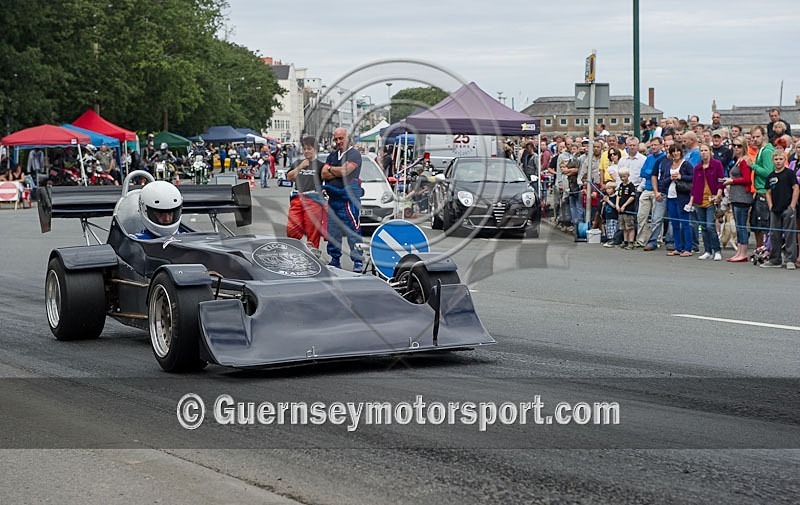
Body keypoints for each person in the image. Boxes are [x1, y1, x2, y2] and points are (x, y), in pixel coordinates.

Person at [322, 127, 364, 272]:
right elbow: (323, 174)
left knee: (354, 231)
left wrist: (332, 170)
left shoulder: (354, 154)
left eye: (341, 138)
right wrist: (338, 171)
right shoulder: (332, 155)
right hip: (333, 199)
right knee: (333, 231)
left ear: (348, 138)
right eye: (336, 139)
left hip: (349, 200)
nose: (339, 142)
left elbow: (345, 171)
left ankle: (358, 261)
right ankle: (335, 259)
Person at [286, 136, 326, 255]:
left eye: (309, 149)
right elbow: (289, 177)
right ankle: (294, 251)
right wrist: (300, 167)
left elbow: (327, 180)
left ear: (315, 149)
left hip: (313, 199)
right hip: (298, 198)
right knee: (292, 229)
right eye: (304, 149)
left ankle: (313, 254)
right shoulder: (298, 163)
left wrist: (324, 190)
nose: (306, 151)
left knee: (312, 230)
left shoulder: (320, 165)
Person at [761, 149, 799, 268]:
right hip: (775, 209)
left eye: (780, 159)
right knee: (774, 234)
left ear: (785, 160)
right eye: (776, 159)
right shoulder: (771, 176)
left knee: (789, 235)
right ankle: (775, 259)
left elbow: (796, 188)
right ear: (773, 161)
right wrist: (771, 205)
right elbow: (767, 192)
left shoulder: (789, 173)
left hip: (788, 208)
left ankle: (790, 260)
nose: (778, 162)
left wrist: (792, 206)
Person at [687, 144, 725, 260]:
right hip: (699, 200)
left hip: (711, 200)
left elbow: (720, 180)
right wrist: (691, 201)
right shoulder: (697, 167)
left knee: (710, 226)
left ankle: (717, 250)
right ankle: (707, 250)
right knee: (703, 226)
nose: (703, 153)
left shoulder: (716, 164)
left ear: (710, 151)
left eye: (705, 150)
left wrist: (718, 194)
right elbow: (694, 186)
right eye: (701, 151)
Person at [722, 137, 754, 262]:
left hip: (743, 197)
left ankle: (743, 252)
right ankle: (739, 251)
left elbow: (747, 179)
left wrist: (732, 181)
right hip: (735, 195)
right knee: (739, 224)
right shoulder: (738, 160)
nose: (736, 148)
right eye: (734, 145)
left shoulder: (745, 161)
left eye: (739, 146)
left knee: (741, 226)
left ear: (744, 147)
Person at [664, 144, 694, 257]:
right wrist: (670, 178)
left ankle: (688, 248)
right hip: (671, 196)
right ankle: (678, 247)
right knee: (675, 223)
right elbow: (663, 180)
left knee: (685, 223)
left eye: (677, 151)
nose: (675, 153)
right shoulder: (668, 165)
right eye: (673, 151)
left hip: (682, 197)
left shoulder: (686, 164)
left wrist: (681, 177)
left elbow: (693, 177)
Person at [749, 126, 775, 250]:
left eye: (757, 136)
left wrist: (752, 166)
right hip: (759, 191)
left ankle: (766, 251)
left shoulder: (767, 151)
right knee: (756, 224)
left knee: (764, 225)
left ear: (764, 136)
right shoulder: (761, 150)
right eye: (753, 137)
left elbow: (768, 172)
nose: (755, 139)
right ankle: (761, 250)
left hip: (765, 192)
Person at [616, 167, 637, 249]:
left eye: (624, 177)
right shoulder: (621, 185)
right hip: (621, 210)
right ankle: (625, 241)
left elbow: (632, 197)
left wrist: (624, 205)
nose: (622, 178)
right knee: (623, 227)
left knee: (630, 226)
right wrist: (617, 205)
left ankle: (631, 242)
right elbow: (618, 195)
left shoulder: (631, 186)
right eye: (621, 177)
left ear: (628, 175)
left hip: (628, 210)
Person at [601, 181, 619, 247]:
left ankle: (613, 240)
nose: (607, 190)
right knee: (608, 228)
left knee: (613, 229)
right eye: (606, 189)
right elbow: (603, 207)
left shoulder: (615, 197)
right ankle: (608, 239)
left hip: (613, 216)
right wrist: (604, 203)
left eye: (609, 189)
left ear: (614, 189)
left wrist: (608, 201)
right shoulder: (607, 197)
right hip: (607, 215)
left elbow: (614, 206)